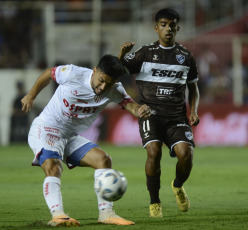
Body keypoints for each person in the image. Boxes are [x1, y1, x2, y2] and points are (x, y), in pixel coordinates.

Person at [21, 54, 151, 227]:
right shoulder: (73, 74)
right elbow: (48, 74)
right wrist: (31, 95)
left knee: (103, 160)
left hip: (69, 136)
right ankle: (58, 215)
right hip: (46, 129)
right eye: (102, 80)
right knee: (53, 166)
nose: (103, 87)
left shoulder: (114, 89)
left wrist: (140, 109)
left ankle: (106, 213)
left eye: (109, 84)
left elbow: (130, 105)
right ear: (95, 70)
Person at [118, 8, 200, 218]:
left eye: (172, 25)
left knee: (186, 155)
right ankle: (155, 202)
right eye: (163, 24)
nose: (168, 29)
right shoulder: (145, 53)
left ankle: (178, 185)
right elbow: (117, 72)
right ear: (156, 28)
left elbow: (194, 88)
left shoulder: (186, 57)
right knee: (154, 152)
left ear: (177, 28)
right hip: (150, 114)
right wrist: (121, 55)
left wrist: (194, 111)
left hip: (177, 117)